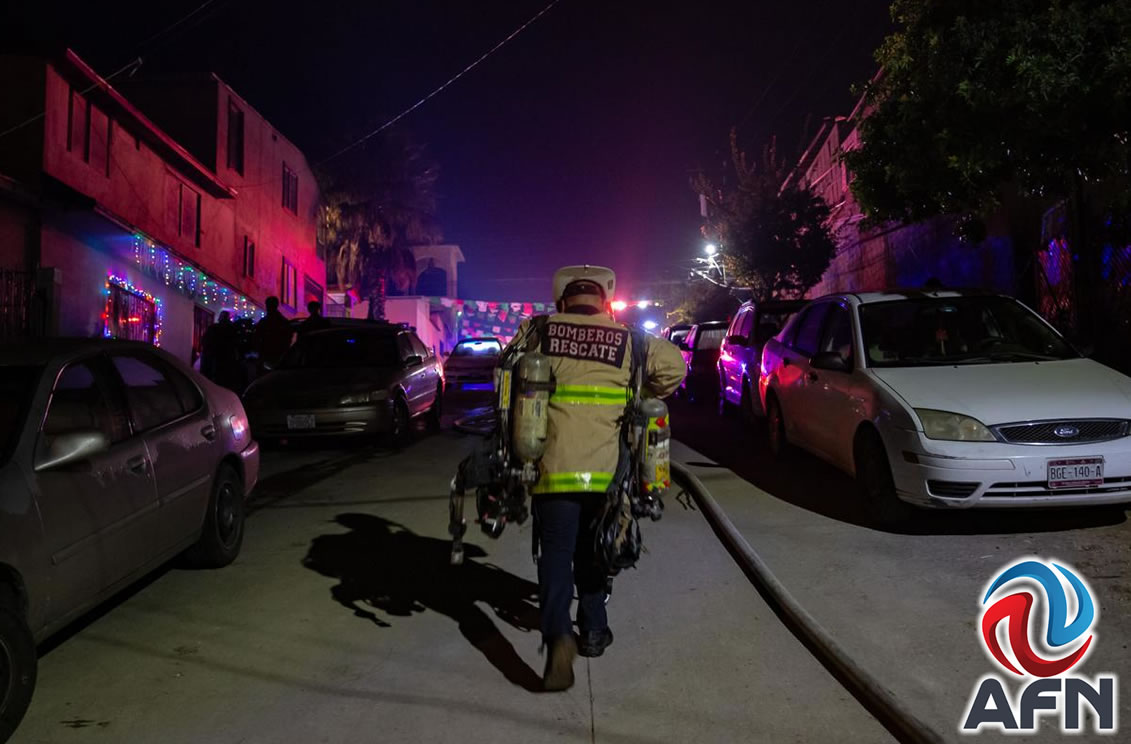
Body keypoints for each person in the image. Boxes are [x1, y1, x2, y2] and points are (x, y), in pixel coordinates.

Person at [501, 265, 685, 691]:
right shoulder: (630, 338)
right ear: (604, 303)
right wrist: (639, 394)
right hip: (605, 472)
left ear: (563, 301)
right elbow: (675, 367)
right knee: (595, 549)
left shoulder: (539, 330)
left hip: (552, 467)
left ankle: (558, 637)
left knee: (555, 554)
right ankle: (595, 632)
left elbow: (505, 372)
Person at [199, 311, 242, 391]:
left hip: (213, 357)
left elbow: (204, 342)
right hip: (225, 359)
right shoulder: (232, 329)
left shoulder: (213, 328)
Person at [253, 296, 295, 375]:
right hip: (277, 354)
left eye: (268, 305)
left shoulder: (265, 321)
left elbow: (257, 336)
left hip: (268, 354)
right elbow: (288, 337)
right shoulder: (283, 321)